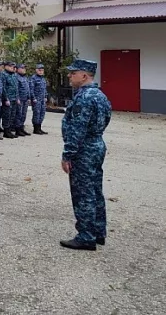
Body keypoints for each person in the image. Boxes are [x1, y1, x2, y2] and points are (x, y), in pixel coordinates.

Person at [60, 59, 111, 251]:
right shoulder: (100, 95)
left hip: (84, 150)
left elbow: (77, 130)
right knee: (95, 190)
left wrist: (67, 155)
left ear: (84, 75)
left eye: (73, 73)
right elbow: (105, 120)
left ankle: (86, 236)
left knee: (83, 193)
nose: (69, 76)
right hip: (96, 145)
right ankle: (98, 231)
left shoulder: (85, 97)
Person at [1, 62, 20, 139]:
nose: (12, 67)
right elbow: (3, 88)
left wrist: (17, 98)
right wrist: (5, 99)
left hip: (14, 98)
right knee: (7, 115)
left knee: (12, 115)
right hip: (8, 99)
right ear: (6, 66)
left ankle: (9, 130)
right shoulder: (3, 75)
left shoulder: (14, 75)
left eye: (13, 66)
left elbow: (16, 88)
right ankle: (6, 131)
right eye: (10, 66)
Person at [31, 64, 49, 134]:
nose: (41, 72)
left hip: (42, 99)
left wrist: (45, 96)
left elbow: (45, 89)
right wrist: (33, 98)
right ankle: (36, 129)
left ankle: (39, 127)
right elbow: (31, 89)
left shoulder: (43, 79)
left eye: (42, 70)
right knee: (36, 113)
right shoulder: (33, 78)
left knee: (42, 113)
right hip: (36, 99)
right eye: (39, 70)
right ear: (36, 70)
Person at [15, 64, 32, 136]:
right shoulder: (16, 77)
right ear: (17, 69)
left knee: (23, 114)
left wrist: (28, 97)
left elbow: (27, 88)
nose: (24, 69)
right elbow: (16, 89)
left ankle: (21, 128)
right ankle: (17, 129)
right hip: (20, 99)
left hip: (25, 99)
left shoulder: (25, 77)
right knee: (19, 114)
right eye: (22, 68)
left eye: (24, 68)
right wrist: (17, 98)